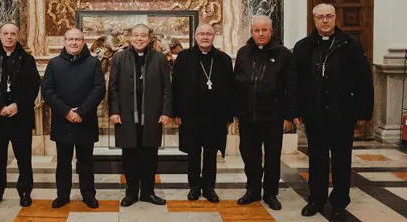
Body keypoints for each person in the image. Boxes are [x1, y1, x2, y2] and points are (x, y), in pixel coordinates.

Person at [294, 3, 373, 220]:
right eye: (320, 17)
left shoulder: (351, 44)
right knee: (317, 159)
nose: (325, 21)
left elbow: (364, 79)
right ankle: (316, 200)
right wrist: (296, 109)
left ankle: (339, 201)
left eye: (329, 16)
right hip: (314, 114)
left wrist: (363, 112)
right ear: (314, 20)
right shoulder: (303, 47)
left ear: (336, 18)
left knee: (341, 159)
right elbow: (295, 82)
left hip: (343, 114)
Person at [233, 15, 298, 211]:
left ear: (271, 31)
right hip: (248, 116)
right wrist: (236, 112)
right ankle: (252, 190)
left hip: (273, 116)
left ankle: (270, 193)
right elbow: (236, 84)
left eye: (264, 30)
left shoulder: (284, 54)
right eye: (256, 30)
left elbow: (291, 86)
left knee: (272, 156)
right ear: (251, 32)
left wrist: (288, 116)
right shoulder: (243, 53)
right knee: (249, 154)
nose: (260, 34)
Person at [0, 23, 41, 208]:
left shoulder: (28, 60)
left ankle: (25, 191)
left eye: (13, 34)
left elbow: (33, 86)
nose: (9, 37)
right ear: (0, 36)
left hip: (20, 117)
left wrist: (17, 105)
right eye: (6, 33)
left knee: (24, 157)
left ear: (18, 36)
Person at [109, 24, 172, 207]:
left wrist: (166, 111)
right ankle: (130, 193)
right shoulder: (119, 58)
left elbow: (167, 88)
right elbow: (113, 87)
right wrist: (114, 111)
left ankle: (148, 192)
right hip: (126, 116)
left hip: (151, 116)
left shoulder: (160, 58)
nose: (139, 38)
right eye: (136, 35)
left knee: (150, 157)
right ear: (130, 38)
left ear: (149, 38)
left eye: (143, 35)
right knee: (129, 156)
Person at [41, 28, 106, 209]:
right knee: (63, 162)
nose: (74, 43)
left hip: (85, 120)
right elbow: (47, 90)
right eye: (70, 39)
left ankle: (88, 195)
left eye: (78, 39)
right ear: (64, 41)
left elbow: (99, 89)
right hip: (63, 120)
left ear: (83, 42)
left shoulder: (93, 63)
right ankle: (62, 195)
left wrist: (81, 112)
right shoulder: (54, 64)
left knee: (86, 162)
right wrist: (67, 111)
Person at [172, 24, 234, 203]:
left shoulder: (223, 59)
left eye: (208, 34)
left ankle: (209, 188)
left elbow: (231, 89)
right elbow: (175, 85)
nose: (205, 37)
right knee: (193, 152)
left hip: (215, 115)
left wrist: (228, 116)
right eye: (201, 34)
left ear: (213, 36)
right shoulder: (184, 57)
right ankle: (194, 187)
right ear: (195, 36)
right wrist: (176, 112)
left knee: (210, 153)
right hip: (190, 114)